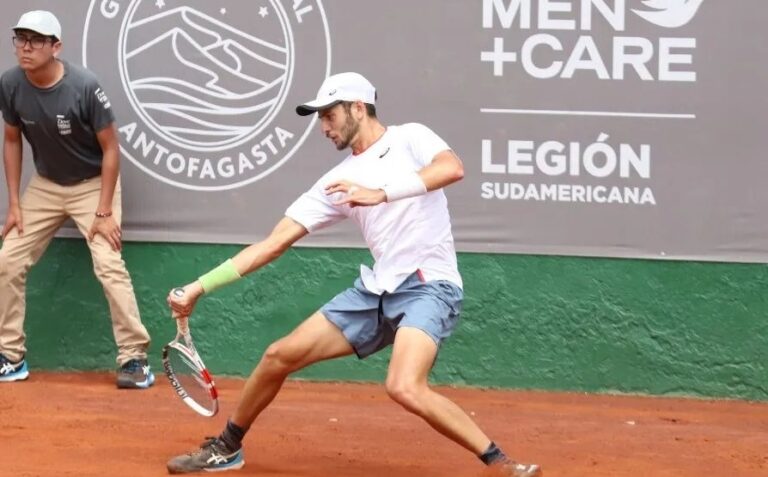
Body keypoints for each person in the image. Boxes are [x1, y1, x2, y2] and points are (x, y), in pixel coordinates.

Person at [165, 72, 542, 476]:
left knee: (403, 386)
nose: (323, 127)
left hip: (430, 286)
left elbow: (452, 168)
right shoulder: (335, 182)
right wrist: (199, 286)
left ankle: (499, 463)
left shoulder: (410, 138)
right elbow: (273, 243)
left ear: (358, 108)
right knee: (278, 356)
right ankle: (227, 447)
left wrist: (381, 193)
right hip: (376, 291)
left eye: (329, 116)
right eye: (319, 119)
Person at [0, 10, 154, 389]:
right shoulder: (10, 83)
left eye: (37, 40)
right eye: (21, 39)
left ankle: (135, 359)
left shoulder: (84, 85)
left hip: (93, 184)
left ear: (57, 47)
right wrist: (16, 204)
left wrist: (104, 210)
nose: (26, 48)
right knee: (7, 259)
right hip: (46, 185)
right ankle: (10, 356)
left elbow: (112, 149)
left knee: (108, 263)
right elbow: (11, 139)